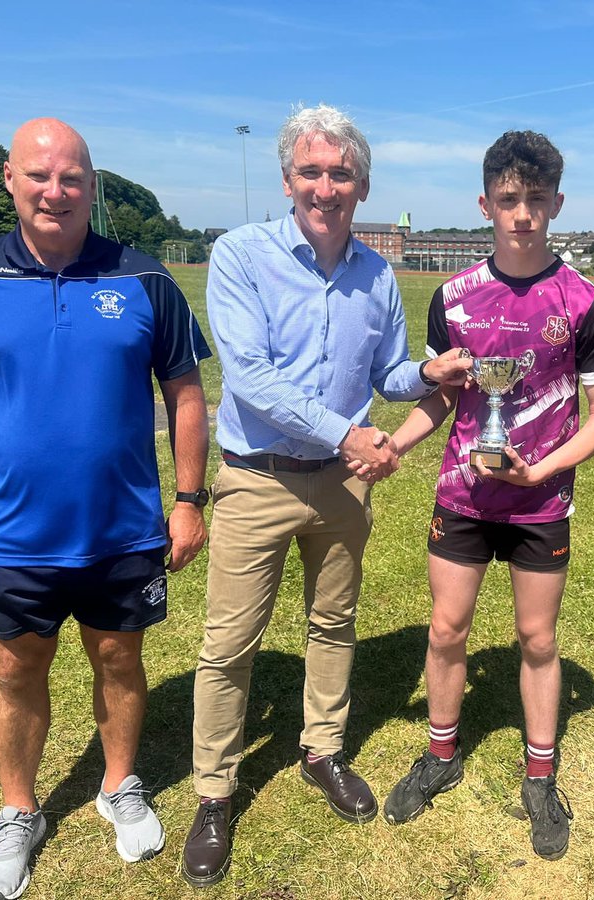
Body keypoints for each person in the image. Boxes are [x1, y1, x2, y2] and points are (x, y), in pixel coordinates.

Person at [0, 118, 212, 900]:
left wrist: (189, 499)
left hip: (125, 528)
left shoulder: (145, 280)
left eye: (72, 177)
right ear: (10, 180)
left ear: (92, 186)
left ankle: (119, 784)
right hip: (11, 535)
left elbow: (186, 393)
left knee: (121, 661)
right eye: (39, 176)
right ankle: (17, 810)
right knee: (15, 672)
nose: (56, 190)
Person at [182, 104, 472, 887]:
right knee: (228, 644)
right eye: (311, 171)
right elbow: (249, 376)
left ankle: (323, 751)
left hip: (344, 486)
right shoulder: (240, 254)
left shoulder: (378, 275)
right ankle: (214, 792)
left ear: (363, 185)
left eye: (341, 173)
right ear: (287, 180)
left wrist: (429, 375)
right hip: (258, 477)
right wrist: (349, 435)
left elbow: (388, 374)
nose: (326, 186)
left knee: (334, 621)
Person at [375, 130, 594, 861]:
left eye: (536, 200)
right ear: (485, 203)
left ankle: (540, 776)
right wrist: (395, 443)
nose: (523, 214)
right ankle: (441, 756)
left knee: (539, 640)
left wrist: (540, 472)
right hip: (461, 498)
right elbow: (445, 401)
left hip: (539, 504)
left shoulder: (583, 302)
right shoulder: (452, 298)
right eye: (509, 200)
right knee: (447, 631)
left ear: (557, 204)